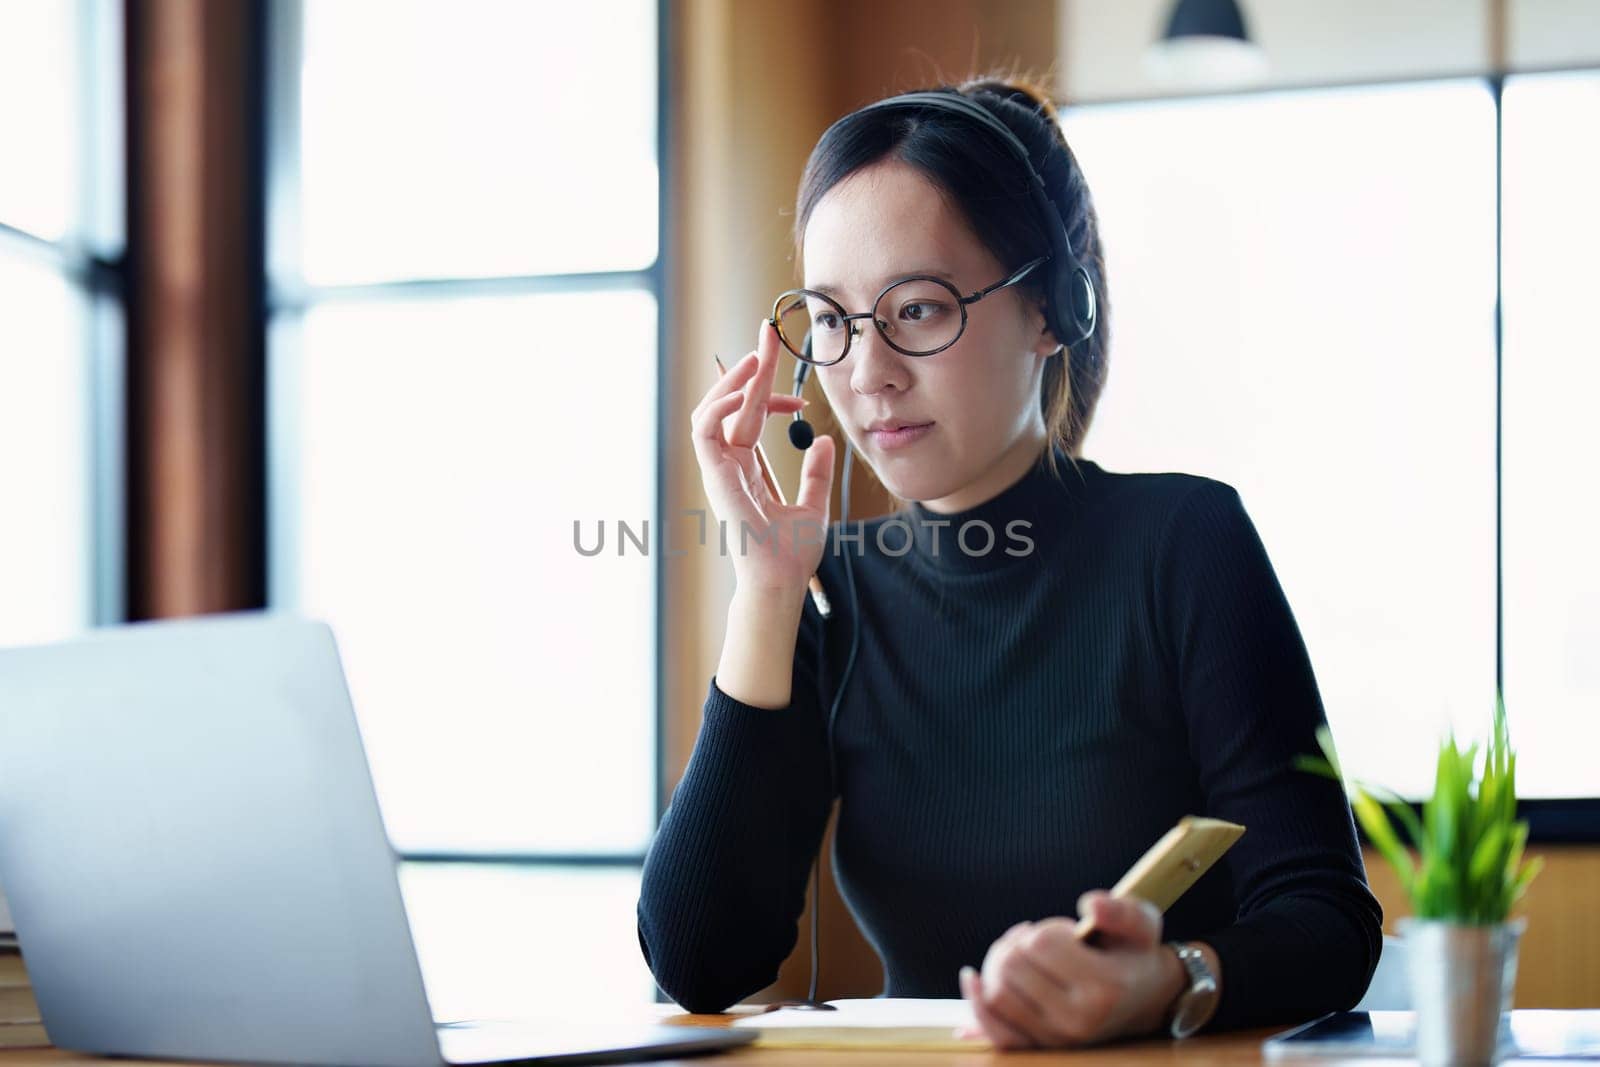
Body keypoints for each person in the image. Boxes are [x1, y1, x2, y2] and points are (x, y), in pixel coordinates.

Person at [636, 75, 1382, 1049]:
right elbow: (698, 961)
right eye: (829, 319)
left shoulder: (1185, 540)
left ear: (1050, 308)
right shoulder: (831, 592)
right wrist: (767, 588)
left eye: (916, 308)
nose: (866, 373)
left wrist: (1162, 981)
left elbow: (1327, 918)